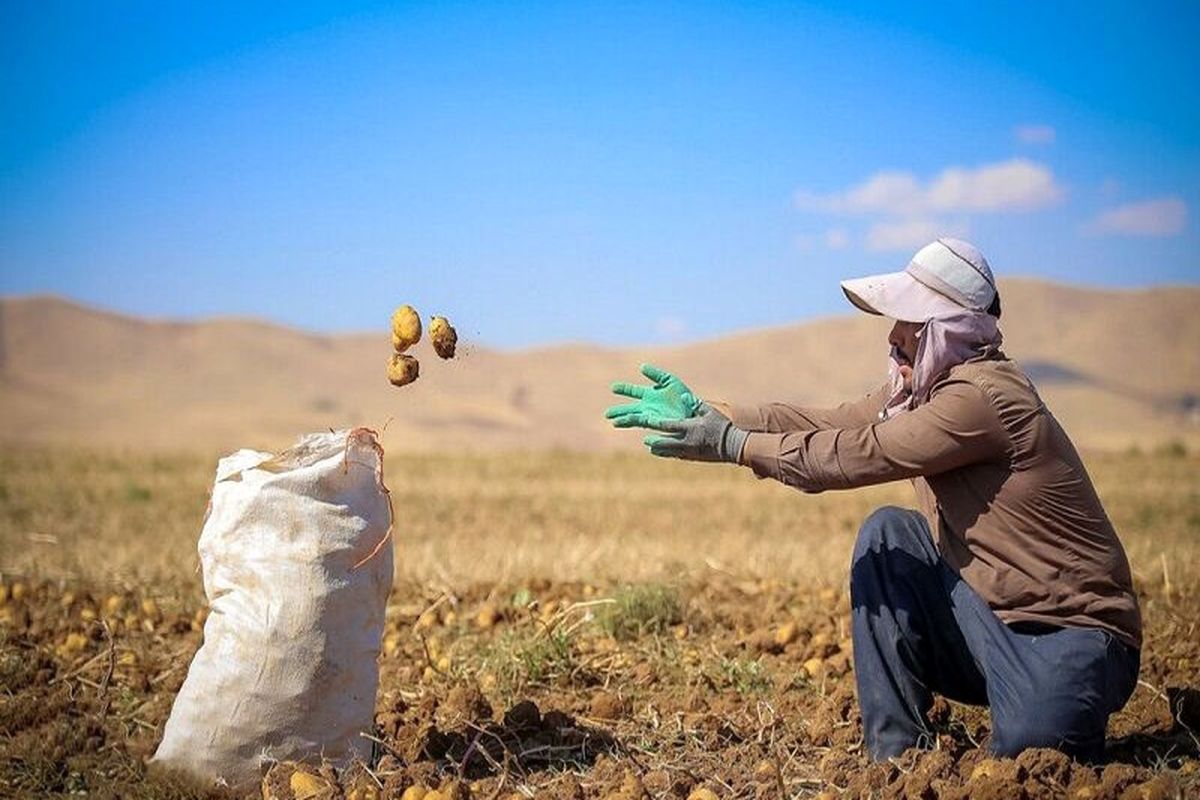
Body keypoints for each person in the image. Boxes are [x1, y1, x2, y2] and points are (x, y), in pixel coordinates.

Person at [605, 238, 1141, 763]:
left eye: (910, 322)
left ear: (947, 329)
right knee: (889, 536)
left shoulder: (978, 398)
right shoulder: (920, 393)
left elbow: (858, 453)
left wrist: (731, 446)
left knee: (1034, 752)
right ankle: (898, 758)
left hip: (1071, 633)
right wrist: (710, 412)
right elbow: (831, 422)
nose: (893, 336)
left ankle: (1047, 713)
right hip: (988, 619)